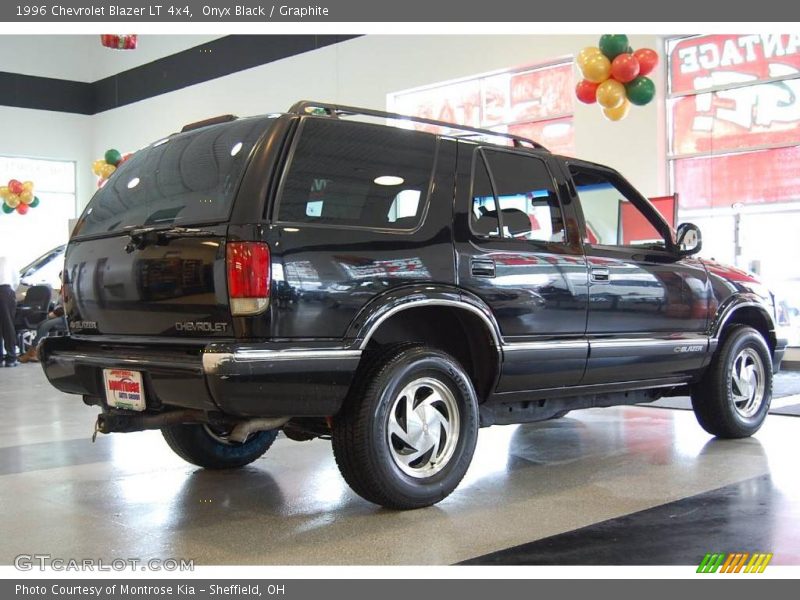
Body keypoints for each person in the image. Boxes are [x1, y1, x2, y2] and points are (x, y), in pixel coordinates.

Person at [0, 255, 20, 367]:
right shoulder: (7, 258)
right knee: (8, 325)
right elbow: (15, 280)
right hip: (5, 290)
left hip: (4, 289)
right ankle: (11, 358)